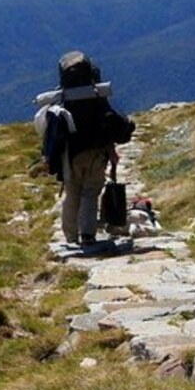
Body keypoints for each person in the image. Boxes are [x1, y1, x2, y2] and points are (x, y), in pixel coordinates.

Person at [55, 52, 115, 249]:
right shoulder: (97, 96)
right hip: (95, 151)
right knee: (90, 192)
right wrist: (111, 150)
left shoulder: (64, 99)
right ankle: (88, 234)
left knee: (72, 193)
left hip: (71, 154)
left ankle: (70, 236)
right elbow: (107, 123)